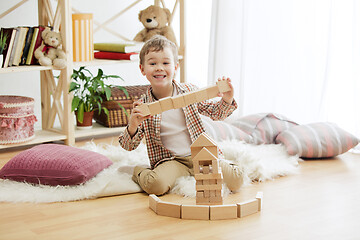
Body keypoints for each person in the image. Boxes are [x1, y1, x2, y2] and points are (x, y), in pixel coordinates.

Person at [119, 35, 243, 195]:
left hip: (200, 154)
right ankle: (139, 171)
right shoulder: (144, 106)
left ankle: (218, 165)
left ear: (176, 67)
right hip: (172, 161)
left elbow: (215, 113)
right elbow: (128, 145)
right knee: (155, 185)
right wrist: (133, 125)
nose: (159, 67)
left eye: (165, 63)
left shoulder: (189, 91)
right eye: (152, 63)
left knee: (236, 179)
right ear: (143, 69)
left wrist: (227, 99)